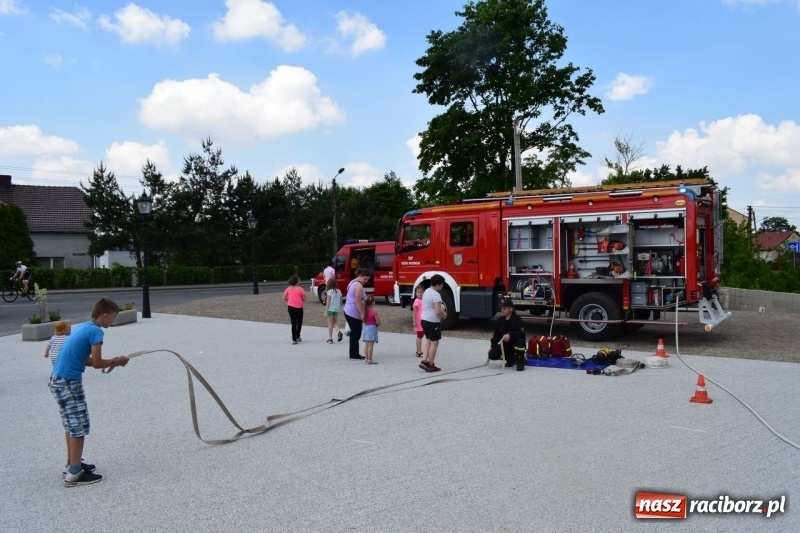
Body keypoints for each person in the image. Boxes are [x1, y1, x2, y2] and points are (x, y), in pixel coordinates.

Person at [49, 297, 129, 487]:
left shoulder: (84, 327)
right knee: (79, 425)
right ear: (105, 315)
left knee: (70, 424)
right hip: (69, 382)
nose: (113, 322)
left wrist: (114, 361)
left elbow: (83, 359)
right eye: (113, 318)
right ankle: (74, 474)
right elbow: (98, 363)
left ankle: (72, 462)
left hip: (57, 380)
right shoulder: (95, 332)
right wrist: (117, 361)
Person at [419, 274, 447, 372]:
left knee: (428, 341)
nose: (442, 286)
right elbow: (438, 311)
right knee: (434, 343)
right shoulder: (436, 294)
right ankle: (431, 364)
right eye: (442, 284)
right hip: (432, 321)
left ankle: (424, 360)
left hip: (424, 319)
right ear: (438, 284)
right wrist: (444, 315)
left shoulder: (426, 291)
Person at [488, 298, 527, 369]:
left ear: (511, 309)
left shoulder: (517, 319)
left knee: (520, 342)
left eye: (505, 308)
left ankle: (520, 362)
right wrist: (492, 346)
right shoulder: (500, 320)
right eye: (502, 308)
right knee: (492, 355)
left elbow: (521, 333)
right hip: (506, 345)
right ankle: (510, 358)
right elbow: (496, 335)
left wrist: (510, 335)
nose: (502, 310)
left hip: (515, 343)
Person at [343, 268, 371, 360]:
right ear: (360, 276)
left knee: (355, 333)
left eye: (367, 279)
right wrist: (362, 313)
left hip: (349, 310)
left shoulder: (352, 282)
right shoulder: (358, 286)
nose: (366, 281)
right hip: (353, 312)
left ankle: (354, 353)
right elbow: (358, 301)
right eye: (365, 279)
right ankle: (353, 354)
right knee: (356, 333)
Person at [283, 274, 306, 344]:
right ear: (297, 281)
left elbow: (284, 298)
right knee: (299, 322)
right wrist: (301, 299)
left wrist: (289, 300)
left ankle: (294, 339)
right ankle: (297, 335)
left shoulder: (288, 289)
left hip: (290, 307)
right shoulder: (301, 289)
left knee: (293, 323)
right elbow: (304, 299)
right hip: (299, 307)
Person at [361, 295, 381, 364]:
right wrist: (377, 324)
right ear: (373, 303)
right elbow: (378, 321)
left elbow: (363, 320)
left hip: (366, 328)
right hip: (372, 328)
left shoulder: (364, 312)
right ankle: (370, 359)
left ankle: (366, 358)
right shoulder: (374, 312)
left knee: (366, 344)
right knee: (371, 345)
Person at [325, 277, 343, 343]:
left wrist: (325, 311)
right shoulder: (339, 291)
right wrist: (339, 306)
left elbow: (328, 302)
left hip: (330, 309)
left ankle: (330, 338)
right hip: (336, 309)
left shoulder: (329, 292)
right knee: (335, 322)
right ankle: (339, 332)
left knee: (330, 324)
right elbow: (341, 301)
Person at [412, 285, 425, 357]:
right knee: (419, 336)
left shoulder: (424, 300)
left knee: (422, 335)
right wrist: (414, 321)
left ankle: (422, 350)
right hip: (419, 322)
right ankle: (418, 351)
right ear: (416, 293)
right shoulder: (416, 301)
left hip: (424, 320)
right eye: (418, 292)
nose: (420, 293)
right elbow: (414, 312)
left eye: (421, 292)